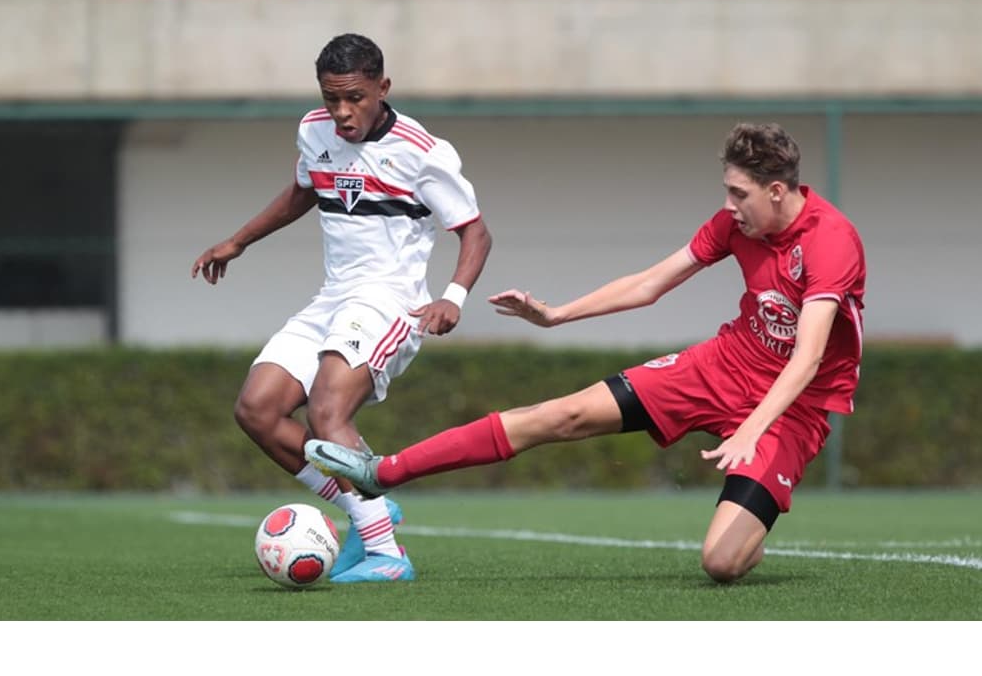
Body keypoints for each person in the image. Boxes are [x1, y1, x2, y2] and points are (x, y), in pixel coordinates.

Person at [306, 121, 866, 584]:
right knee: (560, 415)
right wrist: (556, 315)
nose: (728, 205)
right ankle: (386, 471)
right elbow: (650, 284)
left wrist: (752, 429)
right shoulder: (734, 224)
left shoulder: (831, 240)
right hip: (724, 366)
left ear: (776, 191)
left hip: (793, 407)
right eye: (727, 190)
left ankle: (747, 534)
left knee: (721, 563)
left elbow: (808, 358)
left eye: (738, 193)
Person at [192, 33, 492, 583]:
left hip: (390, 303)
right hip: (333, 297)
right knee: (256, 410)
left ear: (383, 87)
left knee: (327, 413)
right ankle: (366, 509)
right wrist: (239, 240)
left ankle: (387, 554)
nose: (342, 112)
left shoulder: (422, 152)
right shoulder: (314, 131)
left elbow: (474, 231)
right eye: (332, 99)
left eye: (354, 97)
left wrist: (453, 298)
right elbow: (304, 190)